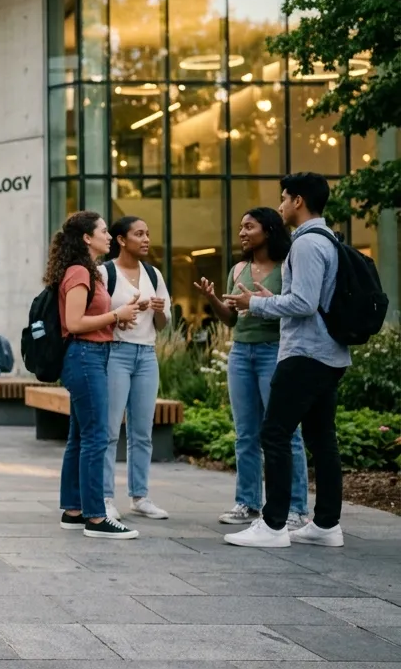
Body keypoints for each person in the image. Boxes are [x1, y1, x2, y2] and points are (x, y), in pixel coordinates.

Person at [223, 173, 350, 549]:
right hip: (328, 354)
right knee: (321, 438)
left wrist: (256, 303)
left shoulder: (307, 244)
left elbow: (304, 304)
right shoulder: (328, 238)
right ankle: (326, 525)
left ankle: (274, 524)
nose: (280, 206)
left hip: (305, 354)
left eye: (283, 198)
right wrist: (273, 297)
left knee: (274, 433)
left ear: (298, 201)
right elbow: (306, 298)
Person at [196, 208, 311, 530]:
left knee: (286, 433)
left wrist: (266, 301)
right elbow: (232, 319)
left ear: (269, 230)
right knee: (246, 434)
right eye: (241, 227)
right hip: (241, 353)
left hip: (274, 352)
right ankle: (247, 502)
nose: (242, 233)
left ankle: (297, 508)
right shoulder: (239, 269)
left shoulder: (287, 267)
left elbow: (296, 309)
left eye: (249, 226)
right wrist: (212, 300)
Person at [50, 211, 141, 541]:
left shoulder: (88, 272)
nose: (108, 235)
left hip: (91, 356)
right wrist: (116, 314)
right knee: (96, 436)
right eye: (103, 231)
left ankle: (74, 510)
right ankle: (96, 517)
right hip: (85, 357)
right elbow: (73, 324)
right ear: (87, 238)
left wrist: (117, 319)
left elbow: (88, 318)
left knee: (81, 435)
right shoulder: (79, 272)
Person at [97, 216, 171, 522]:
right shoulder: (104, 273)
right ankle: (104, 497)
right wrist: (122, 313)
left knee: (143, 431)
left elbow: (164, 323)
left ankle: (140, 496)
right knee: (110, 430)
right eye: (138, 234)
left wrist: (156, 312)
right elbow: (96, 314)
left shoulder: (153, 274)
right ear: (121, 240)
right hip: (115, 353)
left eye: (148, 233)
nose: (146, 239)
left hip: (146, 355)